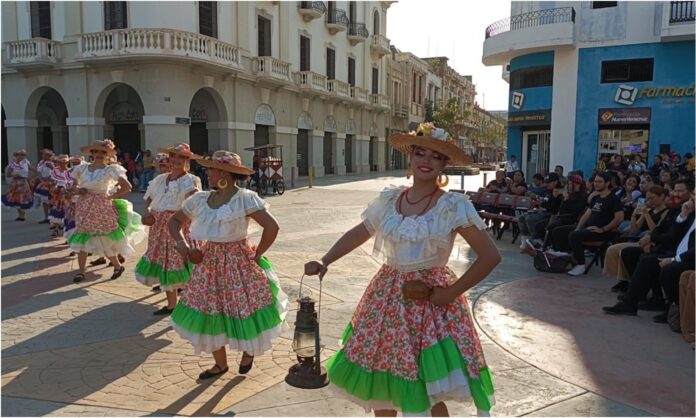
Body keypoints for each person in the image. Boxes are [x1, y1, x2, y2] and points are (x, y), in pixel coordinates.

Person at [305, 124, 499, 416]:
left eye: (435, 156)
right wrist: (326, 260)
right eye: (419, 153)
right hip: (386, 298)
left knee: (429, 389)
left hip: (430, 303)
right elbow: (361, 232)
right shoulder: (389, 200)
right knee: (383, 382)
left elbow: (489, 256)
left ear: (444, 164)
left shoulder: (452, 205)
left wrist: (450, 293)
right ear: (410, 158)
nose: (425, 160)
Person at [168, 150, 287, 380]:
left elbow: (272, 227)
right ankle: (220, 365)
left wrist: (257, 253)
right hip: (208, 260)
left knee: (243, 307)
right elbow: (175, 221)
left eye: (212, 169)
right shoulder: (200, 199)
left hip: (238, 261)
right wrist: (182, 245)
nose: (208, 173)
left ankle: (248, 351)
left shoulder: (245, 198)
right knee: (209, 309)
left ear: (225, 172)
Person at [135, 143, 203, 315]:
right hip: (158, 226)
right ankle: (171, 305)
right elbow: (149, 198)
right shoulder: (160, 179)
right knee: (165, 263)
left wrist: (183, 219)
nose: (176, 160)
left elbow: (193, 203)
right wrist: (146, 213)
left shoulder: (190, 180)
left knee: (179, 263)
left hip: (177, 226)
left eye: (182, 157)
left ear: (187, 160)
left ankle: (192, 302)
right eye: (174, 156)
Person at [68, 139, 145, 283]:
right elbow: (73, 186)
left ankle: (117, 265)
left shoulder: (111, 169)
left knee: (105, 238)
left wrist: (110, 196)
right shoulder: (82, 168)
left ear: (107, 154)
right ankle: (81, 271)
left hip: (102, 207)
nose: (99, 154)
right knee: (83, 236)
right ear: (91, 153)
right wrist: (78, 190)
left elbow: (127, 187)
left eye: (103, 152)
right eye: (96, 151)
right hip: (84, 206)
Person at [603, 197, 695, 317]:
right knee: (646, 260)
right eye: (693, 197)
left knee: (668, 269)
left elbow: (673, 238)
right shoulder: (688, 213)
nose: (692, 200)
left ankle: (673, 309)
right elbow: (671, 231)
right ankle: (630, 303)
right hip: (677, 252)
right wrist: (683, 215)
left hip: (689, 258)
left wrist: (673, 259)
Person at [552, 172, 624, 276]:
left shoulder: (613, 199)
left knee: (574, 236)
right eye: (595, 181)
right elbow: (586, 215)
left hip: (602, 232)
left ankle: (581, 264)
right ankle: (567, 259)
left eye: (599, 182)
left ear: (607, 183)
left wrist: (603, 229)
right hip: (588, 228)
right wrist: (578, 227)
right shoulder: (596, 198)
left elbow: (619, 218)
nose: (596, 184)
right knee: (558, 231)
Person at [604, 186, 669, 293]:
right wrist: (634, 216)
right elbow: (635, 228)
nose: (649, 201)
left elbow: (655, 230)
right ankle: (623, 280)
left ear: (661, 197)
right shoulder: (650, 210)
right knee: (613, 249)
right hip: (641, 239)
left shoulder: (666, 212)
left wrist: (646, 214)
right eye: (647, 198)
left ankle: (627, 282)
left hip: (652, 241)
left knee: (623, 251)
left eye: (652, 198)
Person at [2, 150, 34, 221]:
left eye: (22, 155)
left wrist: (30, 179)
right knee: (16, 198)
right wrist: (14, 174)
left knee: (23, 198)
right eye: (18, 155)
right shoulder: (12, 164)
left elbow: (35, 171)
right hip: (15, 182)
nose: (20, 156)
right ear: (15, 156)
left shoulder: (26, 162)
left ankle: (22, 215)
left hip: (23, 182)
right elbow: (8, 174)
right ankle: (20, 216)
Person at [47, 155, 73, 236]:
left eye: (64, 162)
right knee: (56, 209)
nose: (62, 164)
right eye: (61, 162)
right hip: (57, 192)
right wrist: (52, 184)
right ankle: (55, 229)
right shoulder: (55, 171)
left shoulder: (70, 171)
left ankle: (65, 230)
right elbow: (51, 179)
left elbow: (71, 182)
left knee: (66, 210)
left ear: (67, 163)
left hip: (66, 192)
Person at [33, 148, 55, 224]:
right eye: (43, 154)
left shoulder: (51, 163)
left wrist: (52, 167)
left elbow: (55, 171)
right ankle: (46, 217)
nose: (43, 155)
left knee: (50, 200)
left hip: (50, 182)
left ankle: (53, 216)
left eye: (45, 154)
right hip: (42, 182)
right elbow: (39, 172)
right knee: (44, 200)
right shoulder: (41, 162)